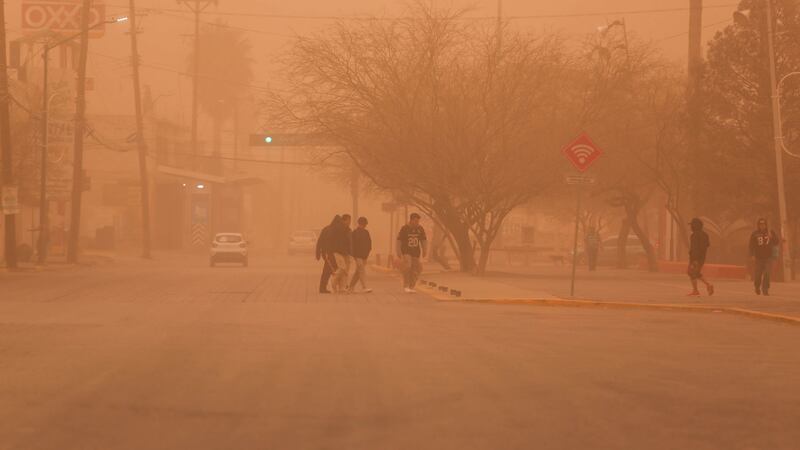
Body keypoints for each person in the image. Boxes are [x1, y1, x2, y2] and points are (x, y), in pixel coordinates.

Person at [397, 213, 428, 293]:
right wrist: (398, 251)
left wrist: (425, 250)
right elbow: (399, 240)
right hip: (406, 251)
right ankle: (406, 285)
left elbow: (423, 240)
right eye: (415, 221)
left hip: (416, 252)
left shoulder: (420, 229)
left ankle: (411, 285)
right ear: (411, 220)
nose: (417, 222)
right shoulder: (405, 228)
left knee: (418, 269)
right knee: (408, 265)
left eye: (418, 221)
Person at [749, 217, 779, 296]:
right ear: (758, 225)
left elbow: (777, 242)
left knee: (767, 273)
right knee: (758, 275)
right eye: (760, 224)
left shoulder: (770, 232)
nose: (762, 226)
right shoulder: (754, 234)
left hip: (768, 257)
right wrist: (752, 255)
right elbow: (751, 246)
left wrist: (772, 237)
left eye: (763, 224)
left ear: (766, 225)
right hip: (758, 258)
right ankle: (757, 286)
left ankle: (765, 289)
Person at [687, 217, 714, 297]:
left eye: (691, 225)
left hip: (695, 258)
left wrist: (694, 259)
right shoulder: (705, 235)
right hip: (702, 258)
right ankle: (708, 285)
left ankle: (696, 290)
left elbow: (694, 248)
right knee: (696, 273)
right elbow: (708, 245)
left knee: (691, 273)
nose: (691, 227)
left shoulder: (694, 235)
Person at [315, 215, 340, 294]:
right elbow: (320, 241)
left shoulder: (327, 229)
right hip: (328, 253)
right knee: (328, 270)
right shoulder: (331, 230)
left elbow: (319, 242)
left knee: (333, 269)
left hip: (327, 253)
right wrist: (318, 253)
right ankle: (322, 288)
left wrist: (318, 253)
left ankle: (334, 286)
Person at [330, 214, 353, 293]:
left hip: (346, 252)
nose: (350, 222)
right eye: (348, 220)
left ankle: (342, 288)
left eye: (350, 220)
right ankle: (333, 281)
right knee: (342, 267)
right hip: (338, 251)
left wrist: (351, 252)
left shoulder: (348, 230)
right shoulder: (338, 229)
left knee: (346, 271)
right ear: (344, 220)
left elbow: (349, 242)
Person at [349, 217, 373, 293]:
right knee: (361, 270)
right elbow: (352, 244)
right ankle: (364, 287)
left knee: (358, 271)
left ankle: (350, 287)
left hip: (364, 256)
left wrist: (367, 253)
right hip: (357, 255)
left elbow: (369, 244)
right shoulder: (354, 233)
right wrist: (353, 254)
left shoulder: (366, 232)